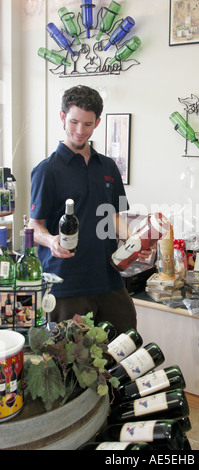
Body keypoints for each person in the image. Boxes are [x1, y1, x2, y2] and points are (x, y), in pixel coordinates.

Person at [29, 85, 146, 334]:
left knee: (125, 347)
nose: (80, 131)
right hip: (67, 284)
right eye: (74, 122)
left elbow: (114, 215)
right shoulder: (47, 171)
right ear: (62, 117)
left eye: (88, 124)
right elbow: (34, 226)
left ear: (97, 122)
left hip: (109, 278)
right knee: (73, 365)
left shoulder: (108, 167)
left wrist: (134, 241)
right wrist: (51, 242)